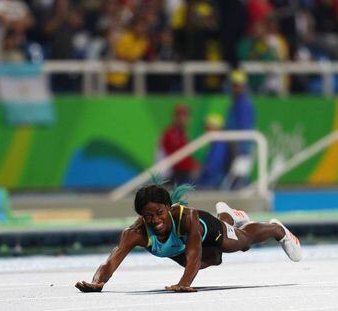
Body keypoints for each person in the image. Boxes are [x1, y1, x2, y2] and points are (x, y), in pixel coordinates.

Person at [75, 184, 301, 293]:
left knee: (241, 243)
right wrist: (98, 282)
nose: (156, 221)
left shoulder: (187, 218)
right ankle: (227, 216)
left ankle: (277, 230)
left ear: (169, 208)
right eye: (148, 216)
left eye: (160, 213)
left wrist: (184, 284)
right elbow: (111, 261)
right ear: (141, 216)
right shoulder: (134, 234)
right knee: (215, 260)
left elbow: (194, 253)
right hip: (180, 250)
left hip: (205, 229)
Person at [222, 69, 256, 190]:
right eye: (233, 85)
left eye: (238, 85)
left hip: (241, 148)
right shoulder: (235, 102)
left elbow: (244, 129)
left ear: (243, 86)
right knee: (235, 180)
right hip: (234, 146)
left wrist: (241, 150)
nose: (235, 88)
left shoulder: (244, 104)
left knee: (239, 181)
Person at [158, 104, 199, 185]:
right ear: (175, 117)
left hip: (177, 174)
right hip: (168, 176)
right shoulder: (170, 134)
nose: (182, 119)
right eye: (179, 116)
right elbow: (178, 160)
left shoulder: (182, 133)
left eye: (185, 116)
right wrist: (194, 167)